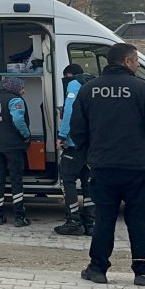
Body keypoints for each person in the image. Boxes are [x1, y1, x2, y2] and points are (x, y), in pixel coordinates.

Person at [70, 43, 145, 286]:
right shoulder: (143, 88)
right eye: (136, 60)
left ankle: (98, 269)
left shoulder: (88, 89)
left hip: (102, 166)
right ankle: (143, 271)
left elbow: (77, 129)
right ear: (127, 61)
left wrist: (90, 155)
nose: (137, 64)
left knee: (104, 218)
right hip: (136, 166)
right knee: (138, 219)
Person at [54, 63, 96, 236]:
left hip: (74, 143)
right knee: (88, 182)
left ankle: (73, 221)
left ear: (69, 75)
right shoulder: (95, 85)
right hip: (92, 143)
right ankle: (91, 223)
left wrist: (62, 135)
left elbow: (69, 111)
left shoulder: (74, 84)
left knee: (68, 180)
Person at [0, 76, 31, 227]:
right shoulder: (15, 100)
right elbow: (18, 120)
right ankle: (19, 217)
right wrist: (26, 135)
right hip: (13, 146)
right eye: (21, 87)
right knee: (16, 179)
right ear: (14, 87)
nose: (23, 91)